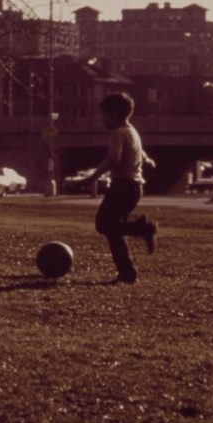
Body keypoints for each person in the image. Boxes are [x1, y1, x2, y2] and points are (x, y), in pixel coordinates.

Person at [77, 92, 158, 284]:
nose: (102, 119)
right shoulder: (132, 131)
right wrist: (148, 160)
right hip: (134, 188)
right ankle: (127, 273)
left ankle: (143, 228)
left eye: (105, 115)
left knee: (104, 224)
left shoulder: (117, 134)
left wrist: (91, 178)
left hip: (123, 186)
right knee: (112, 229)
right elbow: (140, 151)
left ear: (115, 114)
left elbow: (114, 159)